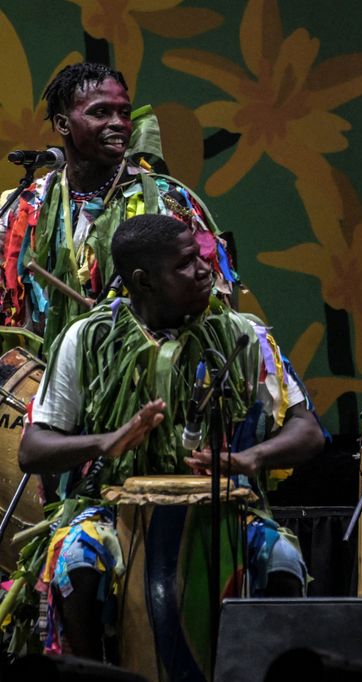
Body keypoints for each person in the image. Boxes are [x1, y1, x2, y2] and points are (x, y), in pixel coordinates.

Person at [7, 214, 324, 661]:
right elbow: (32, 450)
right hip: (112, 511)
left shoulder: (241, 335)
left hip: (223, 512)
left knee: (282, 559)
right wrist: (106, 441)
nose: (203, 270)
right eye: (185, 264)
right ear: (143, 281)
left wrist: (252, 459)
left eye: (201, 257)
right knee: (74, 558)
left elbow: (308, 429)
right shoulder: (88, 340)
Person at [0, 62, 234, 355]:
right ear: (62, 124)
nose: (119, 123)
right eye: (100, 112)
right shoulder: (24, 207)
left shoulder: (165, 201)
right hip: (48, 381)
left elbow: (214, 299)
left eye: (124, 112)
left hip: (139, 377)